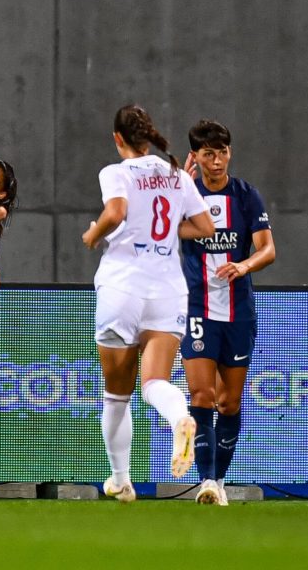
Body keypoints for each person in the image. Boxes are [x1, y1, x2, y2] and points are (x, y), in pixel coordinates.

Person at [82, 104, 215, 503]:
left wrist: (93, 235)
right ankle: (179, 418)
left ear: (118, 138)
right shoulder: (176, 174)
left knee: (116, 394)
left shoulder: (115, 171)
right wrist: (167, 227)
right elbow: (206, 226)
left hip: (123, 285)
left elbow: (116, 210)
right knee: (155, 382)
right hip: (168, 287)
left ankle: (121, 480)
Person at [179, 120, 275, 506]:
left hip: (238, 310)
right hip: (197, 306)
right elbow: (160, 233)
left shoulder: (246, 196)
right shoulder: (185, 194)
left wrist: (244, 266)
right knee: (201, 394)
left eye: (221, 152)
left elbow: (267, 249)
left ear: (229, 153)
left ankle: (219, 480)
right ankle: (205, 480)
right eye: (207, 154)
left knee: (229, 402)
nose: (216, 161)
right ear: (196, 157)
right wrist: (175, 193)